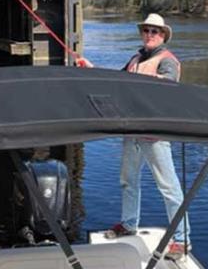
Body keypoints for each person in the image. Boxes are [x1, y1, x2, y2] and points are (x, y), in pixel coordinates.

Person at [77, 13, 189, 259]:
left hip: (154, 135)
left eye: (155, 31)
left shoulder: (168, 61)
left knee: (169, 189)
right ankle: (128, 225)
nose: (149, 34)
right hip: (131, 132)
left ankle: (181, 240)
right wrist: (91, 68)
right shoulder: (135, 58)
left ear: (162, 36)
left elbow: (166, 87)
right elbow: (115, 81)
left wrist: (135, 81)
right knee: (128, 181)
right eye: (146, 30)